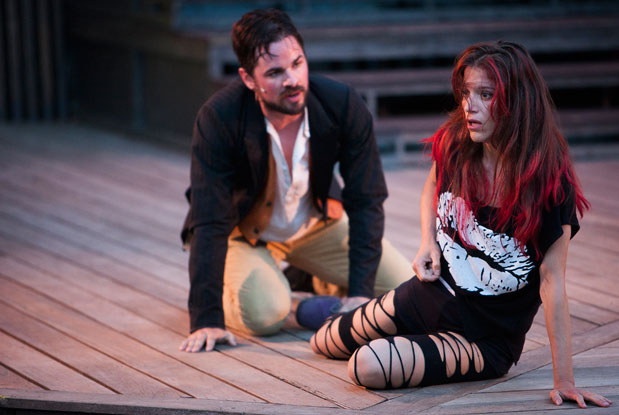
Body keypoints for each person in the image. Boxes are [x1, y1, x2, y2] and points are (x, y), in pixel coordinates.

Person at [310, 41, 612, 409]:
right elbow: (432, 186)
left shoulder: (549, 183)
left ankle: (403, 338)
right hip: (428, 295)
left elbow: (553, 281)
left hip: (483, 339)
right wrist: (427, 242)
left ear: (518, 102)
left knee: (367, 365)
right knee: (323, 342)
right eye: (466, 92)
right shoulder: (458, 144)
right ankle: (314, 302)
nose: (470, 106)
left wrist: (564, 379)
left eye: (486, 94)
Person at [179, 8, 411, 353]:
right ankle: (282, 299)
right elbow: (209, 218)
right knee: (265, 314)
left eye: (297, 63)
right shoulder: (219, 117)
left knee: (405, 291)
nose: (292, 79)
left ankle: (310, 280)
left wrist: (359, 293)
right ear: (248, 79)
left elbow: (366, 198)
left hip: (315, 224)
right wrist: (206, 317)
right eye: (275, 72)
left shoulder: (341, 104)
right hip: (242, 231)